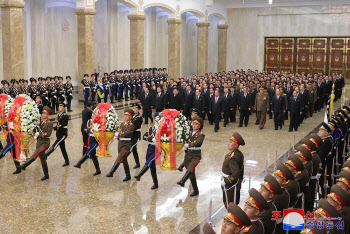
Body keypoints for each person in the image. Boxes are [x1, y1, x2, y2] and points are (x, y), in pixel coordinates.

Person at [20, 107, 54, 181]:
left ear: (48, 115)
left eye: (45, 113)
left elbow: (48, 134)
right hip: (39, 143)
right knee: (43, 159)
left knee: (36, 153)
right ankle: (46, 174)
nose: (43, 114)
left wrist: (39, 134)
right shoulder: (39, 122)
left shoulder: (49, 123)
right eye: (43, 113)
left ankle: (24, 165)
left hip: (45, 143)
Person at [177, 117, 205, 197]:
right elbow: (184, 139)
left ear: (199, 126)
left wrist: (188, 144)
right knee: (192, 174)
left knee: (191, 167)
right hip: (188, 155)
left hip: (196, 155)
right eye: (193, 124)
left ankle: (183, 180)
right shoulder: (189, 133)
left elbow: (197, 142)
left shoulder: (201, 135)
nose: (194, 125)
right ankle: (196, 190)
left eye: (196, 124)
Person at [106, 109, 135, 181]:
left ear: (131, 117)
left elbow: (126, 134)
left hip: (126, 145)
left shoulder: (131, 125)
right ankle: (128, 175)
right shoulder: (122, 124)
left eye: (127, 116)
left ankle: (111, 172)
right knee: (124, 160)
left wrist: (118, 135)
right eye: (125, 115)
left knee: (120, 157)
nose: (125, 117)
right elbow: (120, 132)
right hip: (120, 144)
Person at [134, 112, 160, 190]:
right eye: (155, 118)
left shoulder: (163, 129)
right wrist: (151, 139)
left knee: (149, 161)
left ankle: (139, 175)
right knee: (152, 166)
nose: (156, 120)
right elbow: (144, 136)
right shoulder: (151, 128)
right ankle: (155, 183)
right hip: (150, 147)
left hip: (157, 149)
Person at [222, 132, 245, 206]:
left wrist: (226, 181)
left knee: (229, 205)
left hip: (231, 186)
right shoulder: (237, 153)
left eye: (231, 142)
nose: (228, 143)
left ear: (236, 146)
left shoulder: (233, 157)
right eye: (229, 141)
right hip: (235, 185)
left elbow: (235, 174)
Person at [45, 102, 70, 166]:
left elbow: (62, 124)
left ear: (64, 108)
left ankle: (46, 154)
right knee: (62, 148)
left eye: (61, 107)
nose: (59, 108)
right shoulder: (59, 114)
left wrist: (55, 127)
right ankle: (67, 161)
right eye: (59, 107)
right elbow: (58, 124)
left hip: (63, 133)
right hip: (58, 133)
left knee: (56, 144)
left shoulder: (65, 115)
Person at [129, 103, 143, 169]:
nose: (134, 109)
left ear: (138, 110)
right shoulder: (132, 117)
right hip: (131, 135)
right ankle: (138, 163)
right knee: (134, 150)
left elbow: (135, 127)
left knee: (130, 148)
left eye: (135, 108)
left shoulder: (139, 118)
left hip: (136, 136)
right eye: (133, 108)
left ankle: (122, 159)